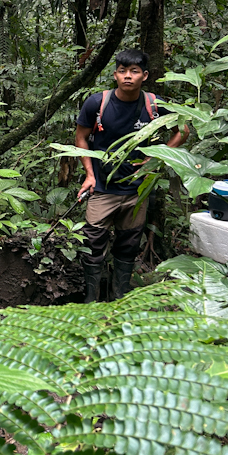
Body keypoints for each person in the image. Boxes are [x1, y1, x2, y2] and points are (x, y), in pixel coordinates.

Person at [75, 49, 188, 302]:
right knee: (93, 245)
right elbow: (81, 138)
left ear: (144, 75)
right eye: (123, 71)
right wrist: (89, 175)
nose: (128, 76)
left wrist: (157, 157)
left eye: (134, 71)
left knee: (127, 247)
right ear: (115, 74)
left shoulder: (154, 105)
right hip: (102, 188)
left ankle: (120, 300)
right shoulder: (97, 103)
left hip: (137, 190)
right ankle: (90, 302)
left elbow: (183, 129)